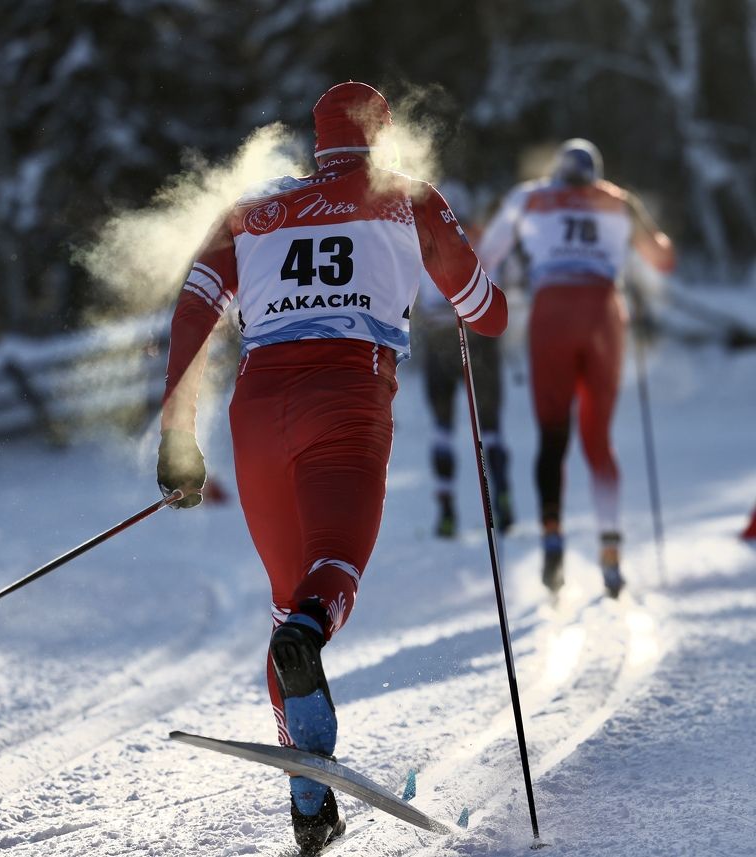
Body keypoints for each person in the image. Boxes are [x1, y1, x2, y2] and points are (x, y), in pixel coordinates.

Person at [156, 81, 507, 855]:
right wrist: (463, 290)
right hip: (347, 395)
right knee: (333, 571)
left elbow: (192, 312)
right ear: (381, 135)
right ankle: (310, 635)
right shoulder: (408, 198)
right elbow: (488, 312)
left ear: (318, 141)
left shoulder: (254, 209)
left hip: (258, 409)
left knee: (287, 601)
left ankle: (311, 806)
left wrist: (178, 434)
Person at [478, 138, 675, 597]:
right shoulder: (619, 200)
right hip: (604, 312)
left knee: (552, 435)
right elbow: (662, 258)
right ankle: (610, 548)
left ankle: (552, 538)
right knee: (598, 438)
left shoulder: (530, 196)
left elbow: (485, 256)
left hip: (552, 313)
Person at [415, 180, 513, 538]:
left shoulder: (421, 242)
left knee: (442, 426)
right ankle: (501, 498)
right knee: (490, 424)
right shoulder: (481, 239)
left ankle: (446, 510)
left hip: (439, 338)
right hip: (478, 339)